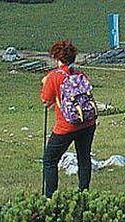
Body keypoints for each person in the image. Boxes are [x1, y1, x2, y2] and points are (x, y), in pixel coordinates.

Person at [40, 40, 96, 198]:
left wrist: (45, 84)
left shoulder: (54, 76)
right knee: (84, 157)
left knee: (50, 160)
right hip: (87, 122)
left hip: (66, 126)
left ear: (57, 58)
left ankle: (51, 198)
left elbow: (46, 100)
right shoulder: (80, 74)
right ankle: (84, 193)